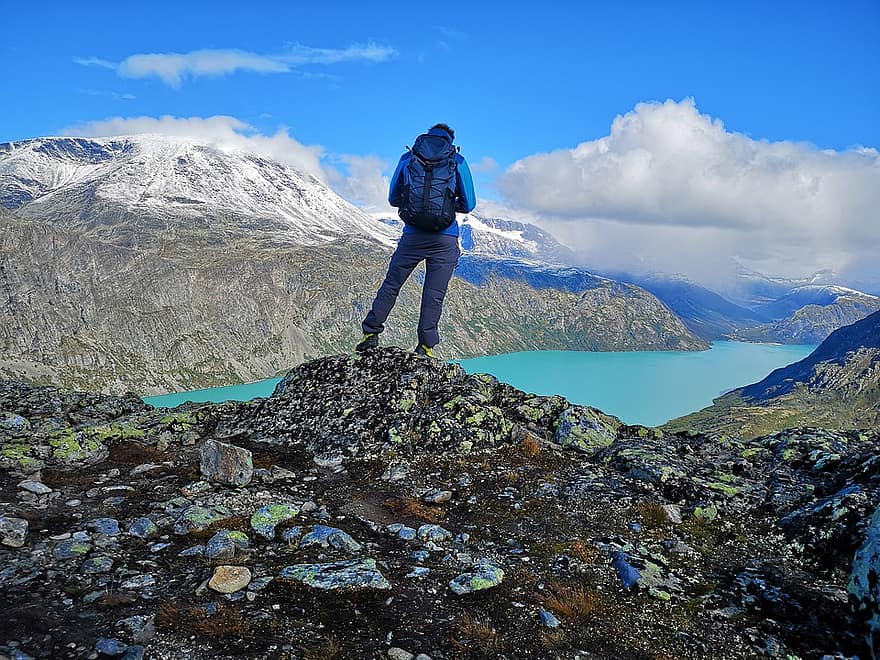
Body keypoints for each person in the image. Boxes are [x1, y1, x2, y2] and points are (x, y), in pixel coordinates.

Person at [356, 123, 476, 357]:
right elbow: (469, 204)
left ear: (427, 136)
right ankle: (426, 346)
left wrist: (414, 210)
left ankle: (370, 333)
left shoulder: (408, 157)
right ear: (450, 140)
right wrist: (449, 206)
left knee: (392, 285)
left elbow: (393, 198)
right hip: (445, 237)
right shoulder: (458, 161)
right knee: (434, 294)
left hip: (412, 236)